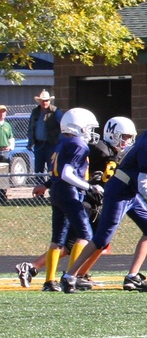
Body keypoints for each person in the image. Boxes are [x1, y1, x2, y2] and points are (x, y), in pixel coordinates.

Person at [60, 110, 147, 293]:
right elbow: (144, 185)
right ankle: (70, 276)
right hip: (119, 193)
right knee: (102, 239)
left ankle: (132, 277)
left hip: (130, 192)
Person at [17, 117, 137, 291]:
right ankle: (70, 274)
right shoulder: (96, 149)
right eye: (124, 137)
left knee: (87, 242)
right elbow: (71, 170)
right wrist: (87, 185)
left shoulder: (111, 151)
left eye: (129, 137)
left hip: (93, 200)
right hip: (84, 199)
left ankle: (61, 272)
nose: (126, 141)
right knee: (79, 242)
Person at [36, 108, 103, 292]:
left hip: (57, 192)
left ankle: (49, 282)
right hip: (69, 192)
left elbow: (59, 173)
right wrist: (89, 186)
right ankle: (71, 278)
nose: (90, 132)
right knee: (86, 235)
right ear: (78, 127)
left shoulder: (62, 142)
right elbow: (67, 173)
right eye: (88, 128)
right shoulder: (78, 144)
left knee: (57, 239)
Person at [27, 90, 64, 179]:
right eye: (43, 101)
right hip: (38, 145)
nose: (45, 102)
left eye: (47, 100)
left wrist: (59, 142)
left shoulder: (55, 111)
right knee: (38, 170)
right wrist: (30, 142)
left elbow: (63, 126)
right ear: (40, 101)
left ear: (49, 101)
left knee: (52, 169)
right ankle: (39, 191)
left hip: (51, 144)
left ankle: (52, 191)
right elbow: (31, 127)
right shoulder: (35, 112)